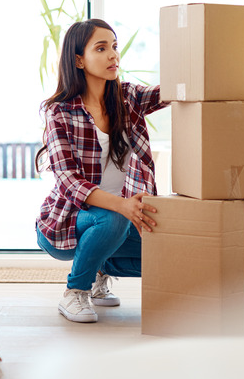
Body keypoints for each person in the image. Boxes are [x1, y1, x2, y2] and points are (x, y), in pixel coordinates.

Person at [34, 18, 169, 323]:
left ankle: (99, 267)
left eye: (115, 46)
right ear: (79, 60)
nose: (113, 55)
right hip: (67, 221)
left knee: (168, 255)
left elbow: (171, 92)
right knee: (112, 218)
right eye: (102, 48)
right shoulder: (60, 111)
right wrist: (122, 205)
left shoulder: (127, 97)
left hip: (120, 219)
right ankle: (75, 292)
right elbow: (68, 181)